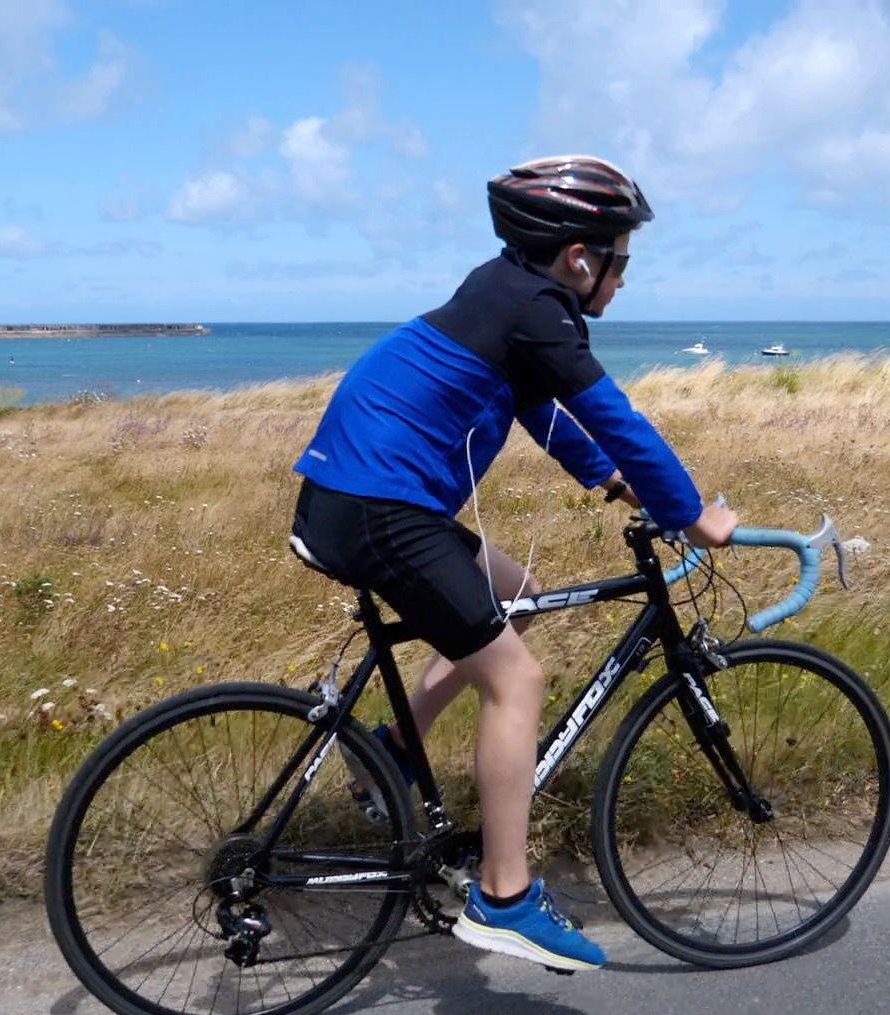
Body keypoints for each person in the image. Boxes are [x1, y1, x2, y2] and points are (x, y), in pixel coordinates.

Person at [287, 155, 738, 972]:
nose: (623, 279)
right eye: (620, 260)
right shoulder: (537, 307)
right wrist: (692, 513)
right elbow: (616, 414)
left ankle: (390, 749)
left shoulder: (506, 290)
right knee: (517, 678)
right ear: (578, 258)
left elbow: (537, 407)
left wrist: (604, 477)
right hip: (382, 509)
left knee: (519, 596)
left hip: (356, 497)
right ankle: (504, 896)